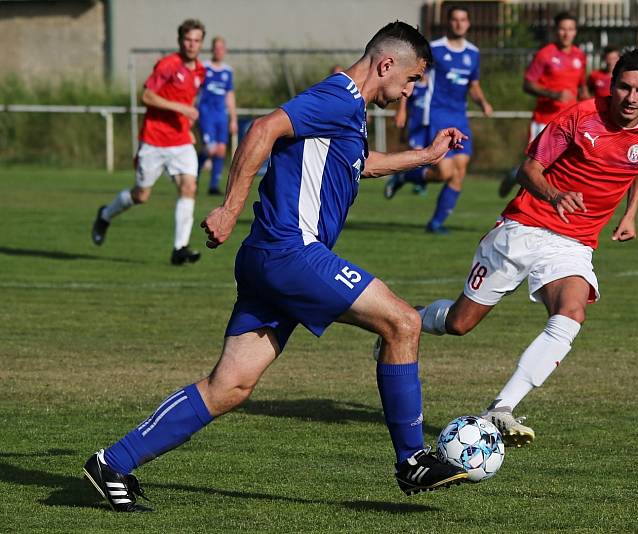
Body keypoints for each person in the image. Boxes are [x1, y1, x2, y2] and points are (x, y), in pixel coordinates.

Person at [82, 21, 471, 513]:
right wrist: (228, 207)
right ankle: (412, 457)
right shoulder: (338, 94)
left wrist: (426, 155)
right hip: (291, 252)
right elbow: (263, 128)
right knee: (403, 322)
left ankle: (112, 462)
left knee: (230, 386)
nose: (410, 91)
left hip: (270, 259)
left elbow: (360, 164)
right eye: (412, 80)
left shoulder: (349, 111)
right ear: (386, 64)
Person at [412, 48, 638, 446]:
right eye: (624, 87)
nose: (631, 97)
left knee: (572, 312)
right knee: (459, 324)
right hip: (524, 228)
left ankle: (501, 409)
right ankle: (407, 319)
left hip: (574, 244)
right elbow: (528, 169)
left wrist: (631, 212)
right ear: (611, 84)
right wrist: (554, 195)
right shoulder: (578, 116)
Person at [91, 19, 206, 265]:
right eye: (188, 39)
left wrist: (187, 125)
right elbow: (146, 95)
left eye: (196, 40)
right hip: (154, 140)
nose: (192, 44)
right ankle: (106, 214)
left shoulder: (200, 72)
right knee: (141, 195)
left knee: (189, 187)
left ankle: (179, 248)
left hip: (181, 141)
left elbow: (189, 101)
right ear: (180, 41)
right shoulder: (168, 65)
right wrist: (180, 108)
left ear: (201, 43)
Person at [383, 6, 493, 234]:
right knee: (443, 172)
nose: (459, 24)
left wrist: (482, 102)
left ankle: (436, 224)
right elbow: (414, 77)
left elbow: (474, 86)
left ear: (468, 23)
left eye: (463, 19)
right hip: (436, 115)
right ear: (448, 23)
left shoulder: (473, 53)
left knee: (459, 171)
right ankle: (405, 176)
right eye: (455, 19)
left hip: (459, 117)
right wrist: (402, 108)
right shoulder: (435, 49)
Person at [498, 11, 588, 198]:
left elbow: (582, 87)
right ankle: (517, 182)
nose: (566, 33)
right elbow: (527, 84)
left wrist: (589, 105)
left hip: (570, 122)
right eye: (563, 29)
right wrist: (553, 94)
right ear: (556, 31)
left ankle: (540, 201)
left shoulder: (580, 56)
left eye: (570, 29)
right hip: (544, 120)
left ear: (575, 32)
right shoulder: (545, 54)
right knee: (535, 167)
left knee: (561, 167)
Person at [197, 36, 238, 196]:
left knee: (220, 150)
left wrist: (233, 119)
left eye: (221, 48)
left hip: (221, 115)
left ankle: (213, 186)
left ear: (225, 51)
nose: (219, 51)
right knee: (210, 148)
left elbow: (230, 95)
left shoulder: (228, 71)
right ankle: (194, 176)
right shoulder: (204, 68)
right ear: (212, 49)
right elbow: (195, 90)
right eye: (216, 48)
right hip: (206, 113)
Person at [391, 74, 430, 194]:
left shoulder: (433, 89)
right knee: (418, 155)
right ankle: (406, 178)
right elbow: (405, 102)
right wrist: (401, 113)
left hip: (429, 127)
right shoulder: (414, 88)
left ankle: (419, 183)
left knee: (429, 157)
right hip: (415, 127)